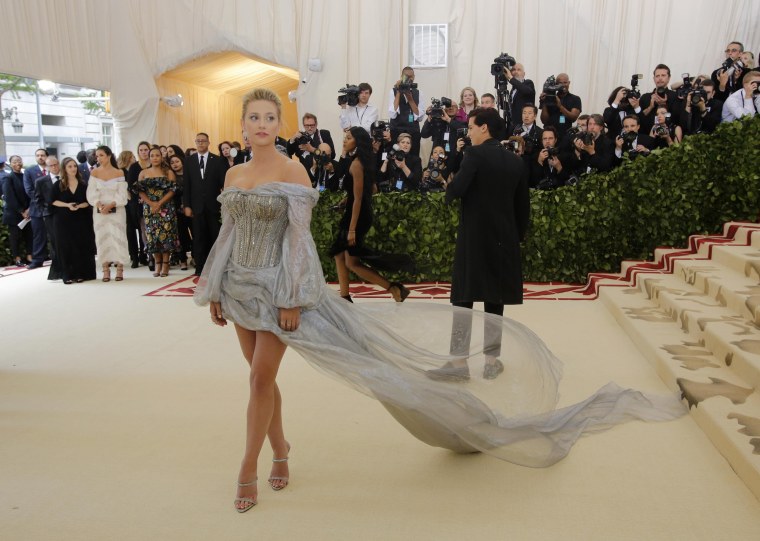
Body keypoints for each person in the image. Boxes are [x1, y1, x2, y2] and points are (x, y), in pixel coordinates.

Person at [195, 88, 687, 513]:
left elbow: (298, 242)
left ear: (279, 123)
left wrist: (291, 297)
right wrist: (215, 287)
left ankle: (248, 467)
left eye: (268, 117)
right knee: (262, 378)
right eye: (253, 118)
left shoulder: (294, 170)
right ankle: (280, 447)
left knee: (261, 375)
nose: (261, 125)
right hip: (239, 288)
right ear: (242, 125)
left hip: (281, 290)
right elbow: (227, 236)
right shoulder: (234, 175)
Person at [429, 106, 529, 380]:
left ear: (484, 128)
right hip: (504, 240)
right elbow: (523, 209)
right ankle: (491, 361)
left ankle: (459, 364)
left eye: (471, 127)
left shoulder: (473, 154)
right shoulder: (516, 161)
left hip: (474, 239)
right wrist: (516, 238)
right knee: (495, 301)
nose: (469, 132)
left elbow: (456, 191)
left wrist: (448, 180)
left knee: (463, 297)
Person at [329, 126, 411, 303]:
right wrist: (345, 200)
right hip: (358, 212)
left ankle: (393, 288)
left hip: (357, 216)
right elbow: (371, 189)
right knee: (339, 254)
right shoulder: (362, 161)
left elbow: (359, 199)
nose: (345, 140)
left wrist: (352, 230)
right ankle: (344, 295)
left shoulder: (357, 164)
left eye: (349, 138)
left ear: (357, 142)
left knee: (352, 262)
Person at [183, 132, 228, 276]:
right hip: (196, 207)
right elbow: (187, 185)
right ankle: (200, 267)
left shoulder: (218, 160)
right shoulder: (189, 161)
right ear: (195, 143)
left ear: (209, 143)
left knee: (215, 236)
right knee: (198, 237)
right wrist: (187, 205)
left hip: (214, 206)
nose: (200, 143)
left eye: (203, 141)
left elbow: (224, 184)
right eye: (198, 141)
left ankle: (216, 266)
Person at [86, 146, 130, 282]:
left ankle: (120, 269)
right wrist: (99, 204)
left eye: (101, 155)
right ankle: (105, 270)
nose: (98, 158)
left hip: (117, 209)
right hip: (99, 210)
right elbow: (91, 192)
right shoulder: (94, 173)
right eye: (96, 156)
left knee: (118, 236)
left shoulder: (119, 172)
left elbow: (122, 194)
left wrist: (111, 205)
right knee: (101, 237)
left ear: (109, 156)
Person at [135, 147, 180, 277]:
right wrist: (151, 203)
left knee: (166, 235)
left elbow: (172, 190)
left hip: (166, 207)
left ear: (161, 157)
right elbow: (139, 191)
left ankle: (166, 264)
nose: (154, 158)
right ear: (149, 158)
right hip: (150, 208)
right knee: (152, 236)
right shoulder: (143, 173)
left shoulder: (169, 172)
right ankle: (157, 263)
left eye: (157, 155)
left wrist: (159, 203)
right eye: (152, 155)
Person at [51, 157, 96, 283]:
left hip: (80, 219)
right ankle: (67, 275)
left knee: (80, 245)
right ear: (64, 169)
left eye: (74, 166)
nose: (73, 169)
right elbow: (52, 201)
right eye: (70, 166)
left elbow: (88, 202)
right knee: (65, 247)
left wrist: (79, 206)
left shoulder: (83, 184)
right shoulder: (58, 184)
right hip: (63, 220)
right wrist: (67, 205)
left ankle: (80, 273)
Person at [35, 156, 63, 280]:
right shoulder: (41, 181)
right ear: (46, 167)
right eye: (51, 165)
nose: (54, 167)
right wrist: (46, 211)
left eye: (56, 164)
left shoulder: (66, 178)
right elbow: (38, 199)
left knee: (66, 241)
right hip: (50, 216)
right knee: (55, 242)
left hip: (66, 215)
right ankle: (57, 271)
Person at [2, 155, 32, 266]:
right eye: (14, 162)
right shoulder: (8, 177)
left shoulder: (25, 176)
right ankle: (17, 258)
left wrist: (28, 209)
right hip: (14, 213)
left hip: (28, 212)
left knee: (29, 235)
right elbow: (9, 197)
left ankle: (30, 256)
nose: (17, 163)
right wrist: (21, 211)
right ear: (10, 164)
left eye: (19, 161)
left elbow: (30, 193)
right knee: (15, 237)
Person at [388, 66, 425, 158]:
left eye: (411, 76)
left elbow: (420, 117)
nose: (409, 79)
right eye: (406, 76)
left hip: (413, 131)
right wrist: (399, 92)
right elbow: (392, 114)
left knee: (414, 157)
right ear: (401, 76)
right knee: (395, 156)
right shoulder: (393, 91)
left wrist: (410, 99)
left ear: (414, 77)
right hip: (396, 129)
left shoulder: (419, 93)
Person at [23, 148, 49, 269]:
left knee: (55, 234)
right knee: (38, 235)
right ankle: (37, 260)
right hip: (37, 208)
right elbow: (29, 190)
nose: (40, 157)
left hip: (54, 207)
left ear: (46, 157)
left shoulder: (53, 169)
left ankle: (58, 258)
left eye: (42, 155)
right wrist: (43, 200)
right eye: (38, 155)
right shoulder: (29, 171)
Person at [127, 141, 151, 268]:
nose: (143, 152)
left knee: (153, 230)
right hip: (139, 203)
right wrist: (141, 197)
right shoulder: (134, 167)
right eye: (141, 150)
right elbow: (131, 186)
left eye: (146, 149)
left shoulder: (155, 164)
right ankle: (145, 255)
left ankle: (152, 255)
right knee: (143, 230)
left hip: (155, 202)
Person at [539, 73, 581, 140]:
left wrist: (560, 106)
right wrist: (544, 102)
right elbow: (544, 120)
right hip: (550, 137)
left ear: (569, 83)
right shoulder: (549, 97)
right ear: (556, 84)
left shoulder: (575, 99)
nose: (563, 85)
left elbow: (573, 118)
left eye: (565, 82)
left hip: (565, 136)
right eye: (560, 83)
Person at [169, 154, 191, 270]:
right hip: (176, 210)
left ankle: (196, 257)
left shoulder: (190, 174)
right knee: (181, 236)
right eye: (172, 163)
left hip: (190, 209)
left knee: (196, 234)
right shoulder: (171, 177)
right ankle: (183, 260)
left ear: (182, 162)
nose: (175, 164)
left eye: (177, 161)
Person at [503, 63, 536, 133]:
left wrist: (511, 78)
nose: (515, 72)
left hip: (525, 127)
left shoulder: (528, 83)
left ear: (524, 74)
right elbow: (511, 108)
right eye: (513, 70)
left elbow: (526, 91)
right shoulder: (512, 89)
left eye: (519, 70)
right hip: (512, 127)